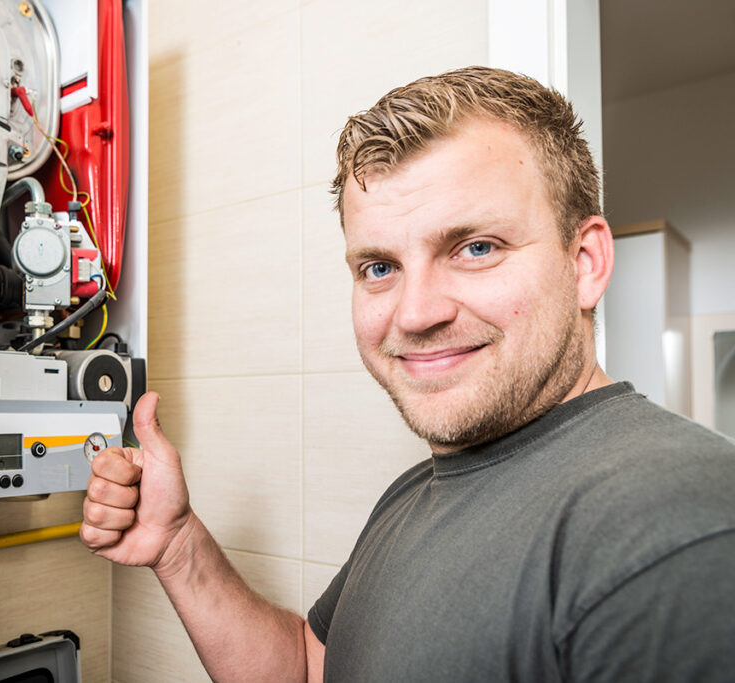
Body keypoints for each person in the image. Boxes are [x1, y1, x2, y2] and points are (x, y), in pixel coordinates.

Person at [79, 67, 735, 681]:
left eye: (476, 248)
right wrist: (177, 544)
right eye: (379, 267)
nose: (415, 313)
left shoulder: (671, 520)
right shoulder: (418, 489)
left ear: (585, 261)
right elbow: (309, 667)